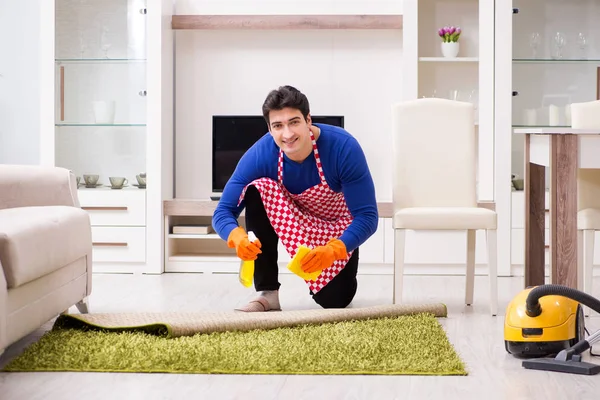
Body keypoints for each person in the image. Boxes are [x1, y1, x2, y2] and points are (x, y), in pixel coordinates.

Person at [212, 85, 378, 312]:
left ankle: (342, 270)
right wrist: (236, 237)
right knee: (257, 189)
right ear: (269, 129)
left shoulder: (343, 148)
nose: (287, 134)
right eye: (278, 125)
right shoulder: (260, 155)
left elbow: (367, 217)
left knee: (335, 301)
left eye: (294, 122)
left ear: (308, 120)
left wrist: (334, 250)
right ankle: (267, 293)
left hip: (337, 227)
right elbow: (222, 212)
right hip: (293, 220)